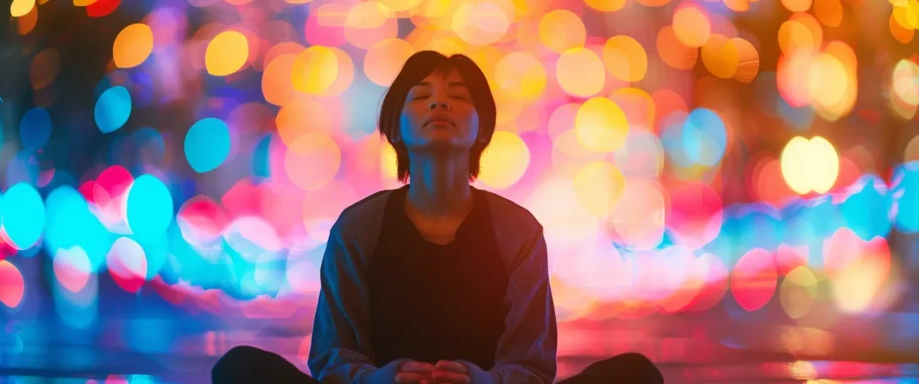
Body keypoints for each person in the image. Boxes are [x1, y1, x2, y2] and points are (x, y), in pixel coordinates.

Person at [211, 51, 665, 384]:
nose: (439, 105)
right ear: (396, 126)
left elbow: (531, 363)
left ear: (482, 127)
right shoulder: (358, 228)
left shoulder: (518, 232)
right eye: (421, 97)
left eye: (457, 96)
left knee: (634, 374)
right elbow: (333, 355)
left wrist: (483, 381)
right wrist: (381, 379)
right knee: (240, 369)